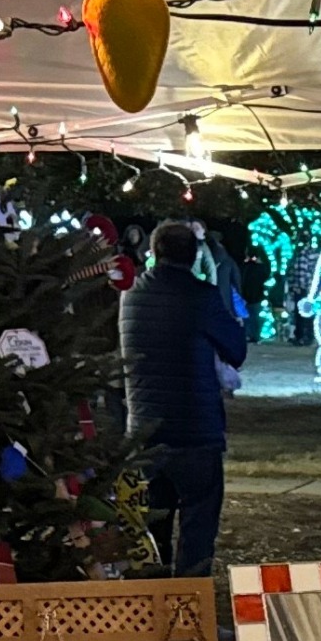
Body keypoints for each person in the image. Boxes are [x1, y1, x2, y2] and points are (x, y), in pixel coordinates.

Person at [120, 222, 247, 577]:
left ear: (154, 251)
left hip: (144, 431)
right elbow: (236, 350)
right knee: (198, 528)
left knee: (152, 530)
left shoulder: (131, 296)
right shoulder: (201, 296)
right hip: (195, 430)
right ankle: (192, 600)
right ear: (193, 256)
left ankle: (154, 599)